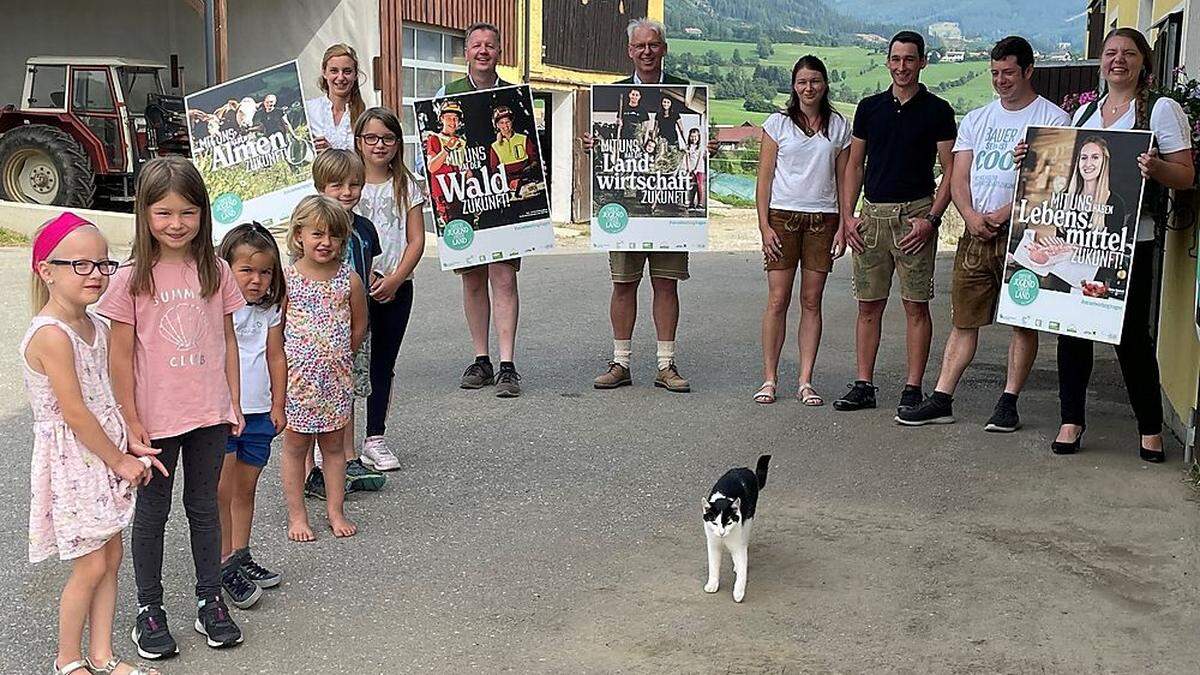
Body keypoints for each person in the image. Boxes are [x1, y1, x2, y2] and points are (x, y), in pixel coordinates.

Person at [98, 156, 247, 659]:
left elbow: (226, 338)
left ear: (203, 214)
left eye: (187, 212)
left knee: (204, 508)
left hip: (208, 414)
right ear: (144, 214)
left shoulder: (216, 269)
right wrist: (131, 420)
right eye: (163, 213)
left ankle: (210, 599)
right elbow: (119, 356)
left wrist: (233, 400)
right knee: (153, 512)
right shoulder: (132, 276)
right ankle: (149, 609)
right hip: (155, 421)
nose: (176, 224)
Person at [897, 36, 1070, 430]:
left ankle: (1008, 402)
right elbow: (959, 175)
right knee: (964, 319)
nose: (1001, 80)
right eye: (995, 73)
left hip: (1027, 234)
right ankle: (941, 398)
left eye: (1008, 72)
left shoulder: (1054, 120)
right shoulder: (977, 119)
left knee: (1022, 319)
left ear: (1029, 71)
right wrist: (971, 215)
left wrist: (1005, 213)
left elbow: (1053, 183)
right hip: (976, 234)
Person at [25, 213, 165, 675]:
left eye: (104, 264)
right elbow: (75, 412)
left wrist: (130, 443)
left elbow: (105, 398)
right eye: (80, 265)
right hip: (75, 461)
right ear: (47, 270)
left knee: (111, 556)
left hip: (102, 454)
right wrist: (120, 461)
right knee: (88, 566)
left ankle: (102, 655)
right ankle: (68, 660)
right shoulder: (51, 334)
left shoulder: (95, 326)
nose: (95, 275)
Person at [1048, 27, 1194, 462]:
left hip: (1133, 238)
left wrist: (1156, 169)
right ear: (1101, 60)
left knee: (1129, 335)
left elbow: (1185, 175)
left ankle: (1150, 426)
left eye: (1129, 53)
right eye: (1111, 53)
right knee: (1072, 330)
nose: (1118, 60)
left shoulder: (1161, 109)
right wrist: (1032, 160)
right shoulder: (1086, 113)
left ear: (1144, 62)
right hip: (1081, 238)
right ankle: (1071, 419)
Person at [832, 31, 957, 413]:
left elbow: (951, 170)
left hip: (915, 216)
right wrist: (847, 217)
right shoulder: (869, 108)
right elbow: (855, 165)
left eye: (909, 59)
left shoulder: (938, 110)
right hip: (871, 216)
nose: (902, 66)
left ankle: (912, 388)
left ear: (922, 62)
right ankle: (864, 385)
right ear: (887, 62)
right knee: (867, 306)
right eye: (896, 59)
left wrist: (932, 220)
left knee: (916, 305)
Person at [592, 17, 694, 393]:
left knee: (666, 284)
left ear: (663, 48)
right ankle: (621, 363)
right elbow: (606, 149)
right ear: (630, 51)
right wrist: (596, 146)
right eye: (640, 46)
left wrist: (704, 150)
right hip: (628, 207)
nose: (647, 52)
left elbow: (691, 144)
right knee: (623, 284)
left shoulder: (683, 94)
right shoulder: (611, 97)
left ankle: (666, 366)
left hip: (669, 204)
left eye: (653, 45)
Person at [753, 55, 851, 406]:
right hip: (782, 217)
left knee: (812, 301)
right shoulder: (777, 124)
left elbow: (844, 179)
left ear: (825, 84)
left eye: (815, 81)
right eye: (801, 82)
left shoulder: (839, 125)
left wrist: (843, 224)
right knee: (778, 300)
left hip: (823, 220)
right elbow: (763, 180)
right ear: (794, 86)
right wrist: (764, 226)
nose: (808, 88)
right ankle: (769, 379)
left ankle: (806, 380)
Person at [438, 23, 525, 398]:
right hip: (465, 195)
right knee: (472, 279)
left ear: (499, 51)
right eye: (477, 45)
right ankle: (481, 359)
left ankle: (507, 365)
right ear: (467, 52)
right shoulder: (448, 94)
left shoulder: (514, 95)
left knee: (503, 278)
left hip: (502, 196)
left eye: (490, 45)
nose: (483, 51)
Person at [280, 195, 366, 541]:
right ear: (299, 235)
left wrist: (340, 355)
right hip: (297, 382)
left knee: (333, 448)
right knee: (295, 448)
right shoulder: (288, 279)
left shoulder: (350, 279)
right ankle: (297, 516)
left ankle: (335, 510)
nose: (325, 242)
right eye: (317, 234)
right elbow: (276, 327)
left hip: (335, 381)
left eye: (333, 236)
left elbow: (359, 324)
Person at [215, 224, 286, 610]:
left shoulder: (270, 309)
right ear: (226, 268)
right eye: (247, 271)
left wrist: (278, 404)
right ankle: (222, 562)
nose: (256, 280)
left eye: (265, 272)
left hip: (260, 412)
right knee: (220, 491)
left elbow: (275, 355)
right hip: (225, 413)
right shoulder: (219, 308)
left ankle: (240, 554)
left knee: (246, 489)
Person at [307, 150, 384, 499]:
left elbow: (365, 267)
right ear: (320, 187)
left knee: (347, 390)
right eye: (336, 185)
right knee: (307, 398)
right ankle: (311, 469)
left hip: (354, 324)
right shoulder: (312, 228)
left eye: (354, 184)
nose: (346, 192)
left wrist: (374, 278)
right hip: (314, 331)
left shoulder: (365, 228)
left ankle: (348, 457)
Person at [354, 107, 426, 469]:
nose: (379, 145)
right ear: (358, 142)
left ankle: (374, 437)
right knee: (346, 363)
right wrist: (361, 279)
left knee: (383, 363)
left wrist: (396, 278)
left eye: (387, 138)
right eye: (371, 138)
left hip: (397, 287)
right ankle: (332, 440)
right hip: (352, 288)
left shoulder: (407, 186)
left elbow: (416, 240)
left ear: (397, 143)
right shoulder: (349, 183)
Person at [305, 43, 366, 152]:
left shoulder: (365, 118)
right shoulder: (308, 110)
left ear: (355, 75)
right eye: (334, 71)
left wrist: (332, 154)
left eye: (347, 71)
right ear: (324, 73)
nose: (341, 77)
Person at [488, 106, 540, 191]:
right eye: (501, 123)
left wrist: (524, 176)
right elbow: (495, 170)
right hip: (509, 185)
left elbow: (535, 161)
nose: (505, 125)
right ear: (497, 125)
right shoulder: (494, 146)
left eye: (507, 122)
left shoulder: (523, 139)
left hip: (526, 180)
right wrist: (507, 183)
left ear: (511, 122)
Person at [683, 127, 706, 211]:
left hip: (699, 169)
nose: (694, 138)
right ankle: (691, 203)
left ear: (698, 137)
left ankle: (700, 203)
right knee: (692, 186)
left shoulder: (700, 147)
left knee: (699, 185)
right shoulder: (688, 147)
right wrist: (688, 168)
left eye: (695, 137)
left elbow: (700, 158)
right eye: (692, 136)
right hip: (691, 169)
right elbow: (687, 157)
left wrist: (696, 168)